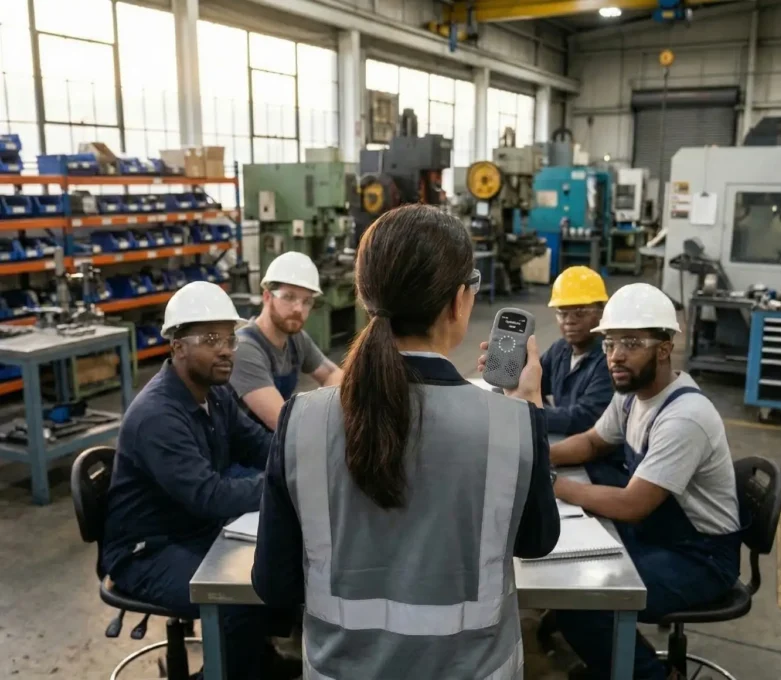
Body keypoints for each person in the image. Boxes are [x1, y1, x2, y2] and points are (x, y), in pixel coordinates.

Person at [252, 204, 560, 679]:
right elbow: (536, 542)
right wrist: (529, 404)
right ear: (460, 301)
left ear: (364, 297)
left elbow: (275, 584)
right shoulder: (512, 424)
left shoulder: (303, 420)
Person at [547, 283, 742, 680]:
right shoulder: (632, 394)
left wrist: (552, 484)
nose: (616, 355)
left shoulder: (683, 416)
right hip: (659, 536)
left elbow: (632, 505)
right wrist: (535, 456)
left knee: (580, 602)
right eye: (610, 343)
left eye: (631, 343)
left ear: (664, 348)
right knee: (570, 579)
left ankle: (651, 676)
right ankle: (626, 663)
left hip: (700, 559)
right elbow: (592, 442)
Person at [101, 282, 291, 680]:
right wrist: (283, 485)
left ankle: (257, 662)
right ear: (177, 346)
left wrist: (302, 458)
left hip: (192, 530)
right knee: (237, 600)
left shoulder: (214, 393)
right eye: (210, 339)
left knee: (282, 564)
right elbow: (210, 496)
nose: (226, 349)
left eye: (229, 338)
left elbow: (261, 446)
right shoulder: (159, 415)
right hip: (147, 551)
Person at [230, 251, 343, 430]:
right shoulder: (245, 349)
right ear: (267, 297)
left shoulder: (296, 340)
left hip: (276, 443)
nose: (298, 309)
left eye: (306, 301)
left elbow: (334, 375)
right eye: (289, 297)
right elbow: (283, 422)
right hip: (245, 453)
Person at [540, 266, 613, 436]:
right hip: (564, 439)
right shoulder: (560, 350)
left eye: (580, 313)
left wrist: (533, 415)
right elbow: (531, 383)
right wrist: (508, 373)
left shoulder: (610, 360)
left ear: (602, 313)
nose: (569, 321)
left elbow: (584, 418)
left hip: (595, 453)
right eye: (562, 313)